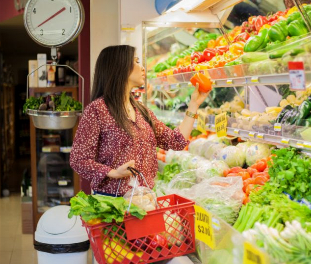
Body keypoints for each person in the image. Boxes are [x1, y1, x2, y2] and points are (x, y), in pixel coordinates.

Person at [70, 45, 210, 196]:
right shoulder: (97, 110)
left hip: (144, 200)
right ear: (120, 67)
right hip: (112, 202)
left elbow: (176, 141)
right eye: (136, 61)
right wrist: (113, 172)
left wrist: (194, 104)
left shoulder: (141, 111)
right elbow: (79, 159)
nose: (142, 67)